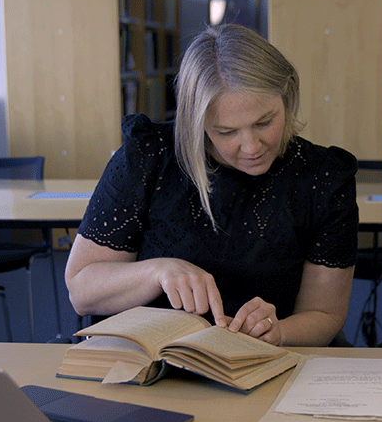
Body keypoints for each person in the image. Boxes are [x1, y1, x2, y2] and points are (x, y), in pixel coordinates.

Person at [65, 24, 358, 347]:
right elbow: (82, 291)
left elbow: (325, 313)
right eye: (226, 132)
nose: (251, 146)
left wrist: (280, 332)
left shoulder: (322, 177)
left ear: (287, 96)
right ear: (196, 122)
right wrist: (158, 272)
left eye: (264, 122)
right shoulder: (149, 157)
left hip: (266, 361)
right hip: (150, 361)